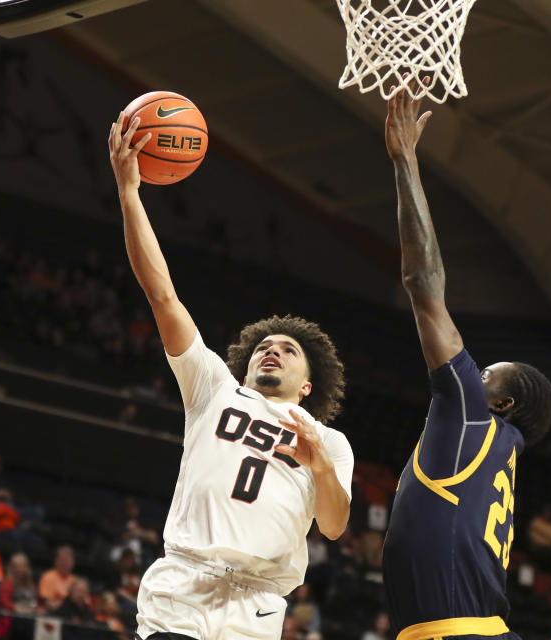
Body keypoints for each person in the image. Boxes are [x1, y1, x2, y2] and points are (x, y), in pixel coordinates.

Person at [108, 111, 354, 640]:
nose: (272, 352)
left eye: (288, 351)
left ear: (308, 385)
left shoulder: (329, 441)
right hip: (184, 584)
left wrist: (321, 469)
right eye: (264, 347)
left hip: (259, 604)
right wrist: (130, 192)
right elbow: (162, 295)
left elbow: (334, 526)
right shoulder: (213, 388)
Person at [379, 80, 551, 639]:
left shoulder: (474, 421)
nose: (470, 373)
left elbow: (422, 283)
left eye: (484, 374)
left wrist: (405, 161)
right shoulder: (495, 453)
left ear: (501, 401)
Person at [39, 545, 76, 610]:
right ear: (56, 561)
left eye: (68, 560)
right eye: (63, 559)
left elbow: (83, 604)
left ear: (72, 562)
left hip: (71, 616)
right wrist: (64, 609)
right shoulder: (48, 577)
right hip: (52, 615)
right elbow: (46, 602)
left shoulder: (75, 581)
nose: (65, 563)